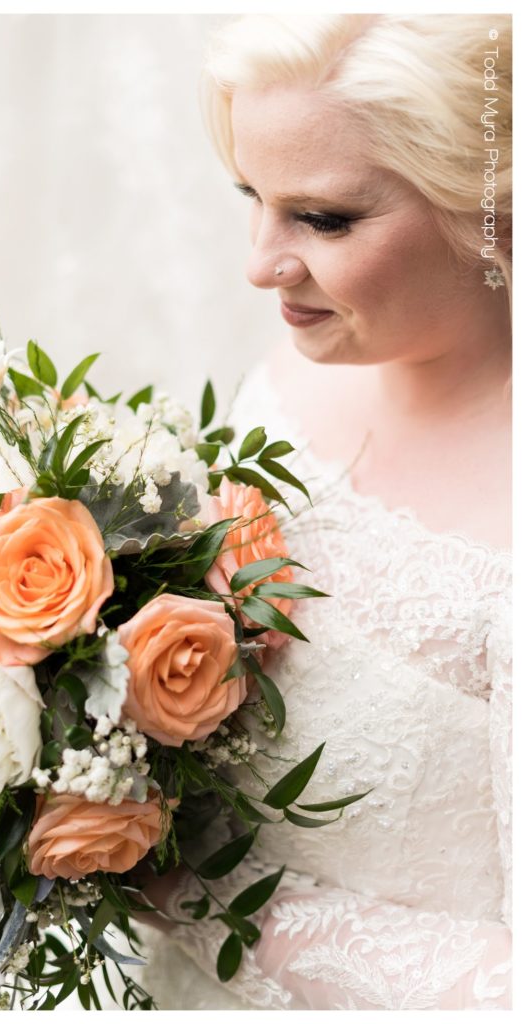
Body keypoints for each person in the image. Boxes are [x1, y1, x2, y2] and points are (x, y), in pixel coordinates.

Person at [122, 13, 512, 1011]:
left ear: (494, 208)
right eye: (251, 196)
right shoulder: (294, 374)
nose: (260, 264)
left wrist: (192, 894)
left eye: (324, 219)